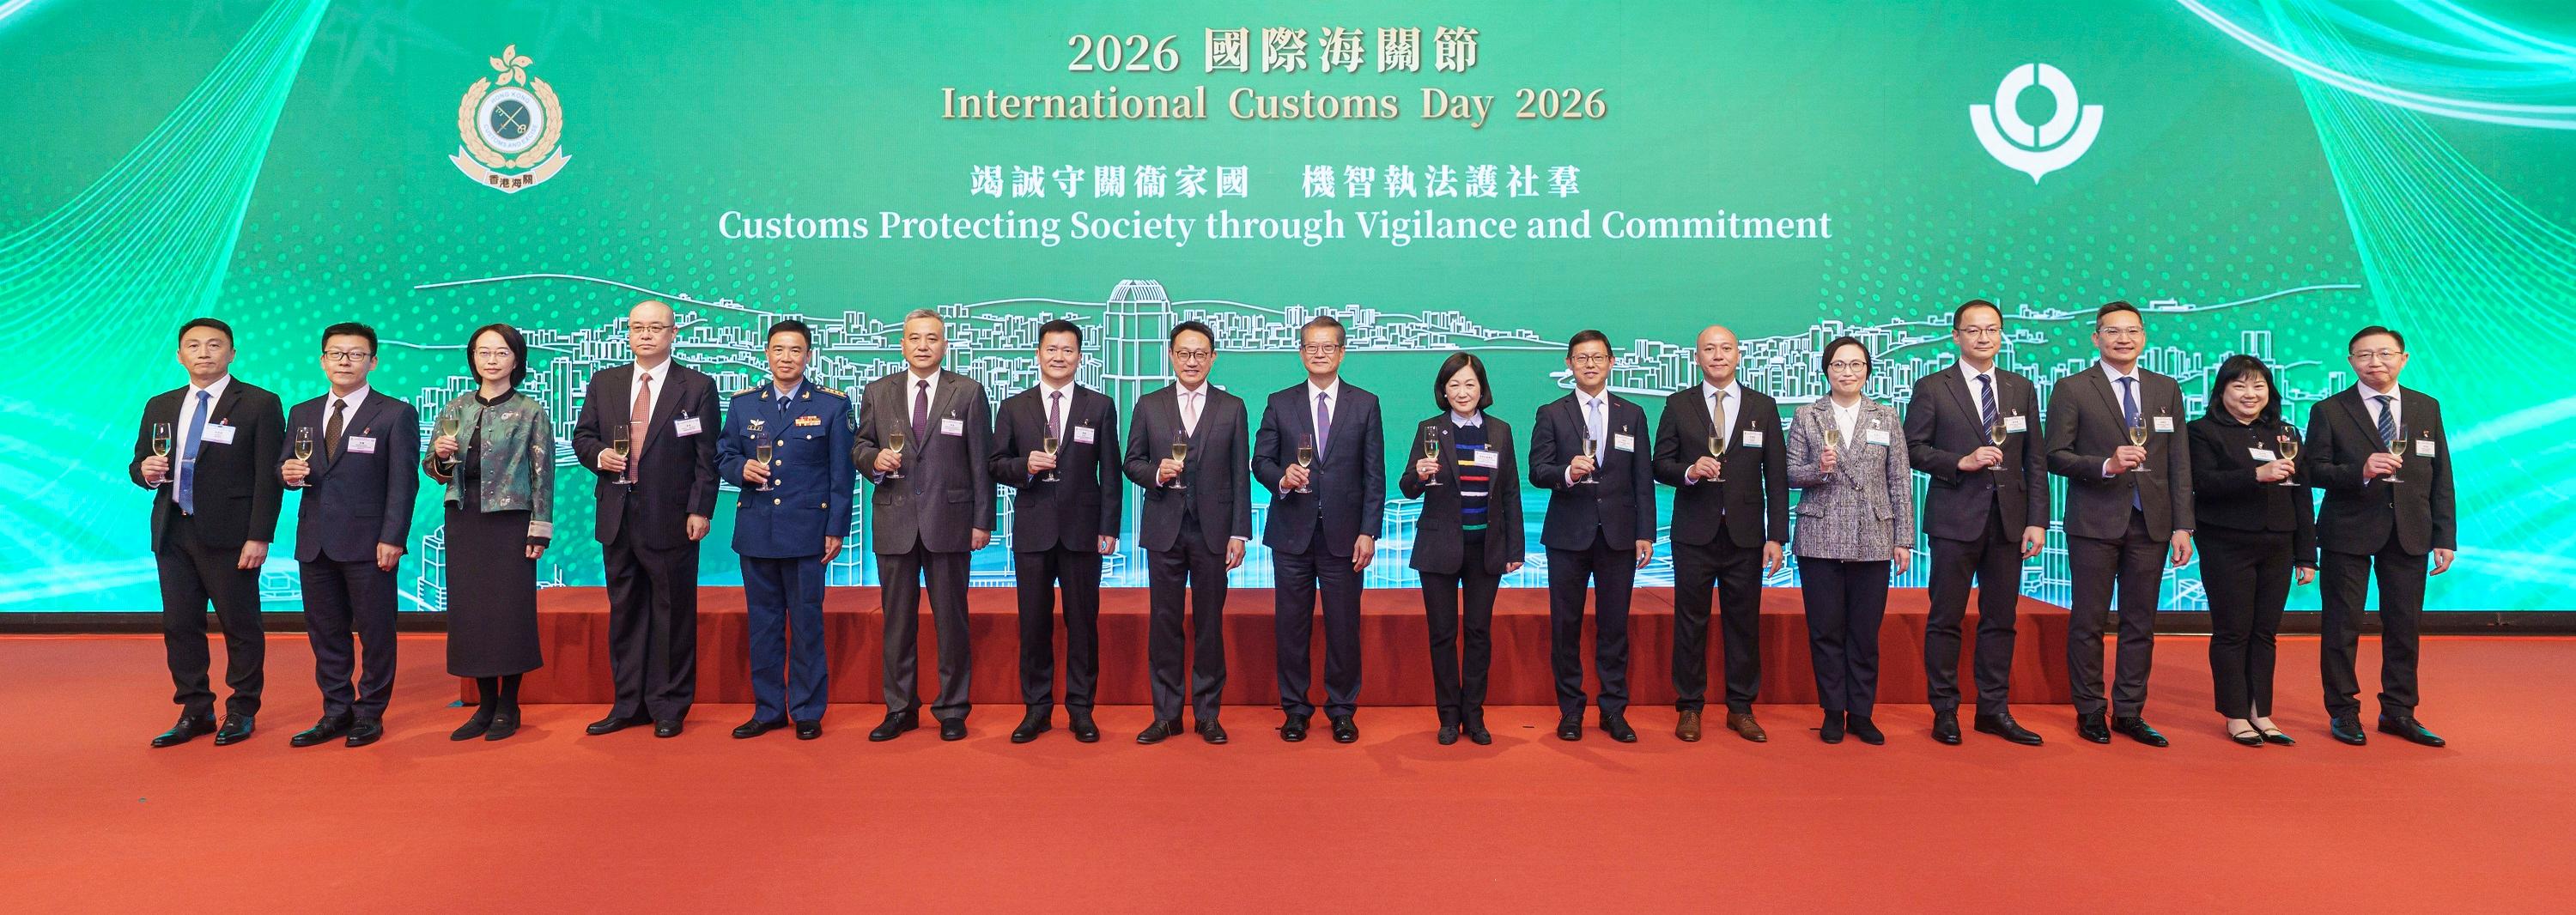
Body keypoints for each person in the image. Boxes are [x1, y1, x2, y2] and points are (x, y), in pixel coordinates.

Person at [2044, 300, 2193, 747]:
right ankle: (2090, 709)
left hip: (2152, 523)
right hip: (2094, 519)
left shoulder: (2166, 388)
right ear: (2096, 338)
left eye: (2132, 331)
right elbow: (2055, 455)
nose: (2123, 339)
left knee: (2140, 622)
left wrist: (2183, 525)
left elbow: (2179, 462)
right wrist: (2106, 465)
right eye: (2112, 331)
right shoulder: (2073, 388)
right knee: (2088, 621)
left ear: (2144, 336)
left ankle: (2129, 711)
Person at [571, 299, 720, 738]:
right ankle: (628, 703)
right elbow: (583, 436)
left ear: (673, 334)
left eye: (656, 328)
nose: (646, 335)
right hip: (617, 514)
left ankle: (670, 705)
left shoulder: (695, 386)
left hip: (673, 519)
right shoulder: (606, 382)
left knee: (673, 613)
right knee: (626, 613)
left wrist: (700, 509)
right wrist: (598, 455)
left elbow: (706, 457)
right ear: (628, 333)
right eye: (638, 327)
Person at [131, 318, 284, 748]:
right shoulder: (160, 404)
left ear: (231, 353)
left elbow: (267, 477)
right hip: (173, 531)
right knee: (180, 625)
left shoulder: (259, 403)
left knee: (240, 625)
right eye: (194, 346)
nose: (204, 353)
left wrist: (260, 535)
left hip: (232, 535)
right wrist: (144, 471)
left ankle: (241, 709)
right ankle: (195, 709)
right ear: (180, 356)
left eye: (214, 345)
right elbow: (139, 463)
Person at [1903, 300, 2047, 746]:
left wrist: (2037, 521)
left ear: (2001, 335)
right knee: (1945, 618)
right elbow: (1913, 448)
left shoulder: (2021, 388)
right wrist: (1960, 461)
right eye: (1974, 330)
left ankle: (1993, 710)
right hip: (1954, 519)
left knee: (2001, 619)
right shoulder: (1933, 388)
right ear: (1956, 336)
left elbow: (2034, 461)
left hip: (2009, 522)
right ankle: (1944, 710)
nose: (1983, 338)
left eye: (1992, 330)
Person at [2301, 326, 2454, 748]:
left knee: (2404, 625)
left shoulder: (2427, 407)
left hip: (2411, 531)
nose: (2375, 362)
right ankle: (2344, 711)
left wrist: (2445, 535)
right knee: (2342, 625)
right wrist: (2361, 471)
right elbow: (2312, 471)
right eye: (2365, 355)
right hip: (2347, 531)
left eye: (2385, 353)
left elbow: (2441, 475)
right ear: (2350, 362)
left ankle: (2399, 711)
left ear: (2404, 358)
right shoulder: (2329, 410)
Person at [854, 308, 994, 742]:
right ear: (902, 344)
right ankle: (900, 708)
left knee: (952, 621)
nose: (923, 346)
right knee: (897, 621)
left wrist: (982, 522)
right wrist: (872, 461)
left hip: (949, 522)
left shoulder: (967, 392)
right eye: (914, 338)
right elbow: (860, 444)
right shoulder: (879, 391)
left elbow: (981, 463)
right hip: (895, 520)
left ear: (944, 344)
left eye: (932, 338)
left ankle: (952, 709)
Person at [277, 322, 417, 748]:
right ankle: (335, 710)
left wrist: (393, 537)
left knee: (376, 631)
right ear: (322, 360)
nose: (344, 360)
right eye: (335, 353)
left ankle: (370, 712)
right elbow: (287, 466)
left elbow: (402, 483)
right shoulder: (302, 412)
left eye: (355, 353)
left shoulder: (394, 413)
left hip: (370, 542)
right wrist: (285, 474)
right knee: (325, 631)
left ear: (372, 361)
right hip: (314, 540)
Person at [716, 320, 854, 741]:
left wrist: (836, 528)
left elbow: (841, 474)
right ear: (767, 354)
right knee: (764, 625)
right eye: (779, 350)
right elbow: (722, 454)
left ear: (809, 355)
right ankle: (769, 708)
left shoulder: (832, 405)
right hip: (757, 529)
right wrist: (741, 469)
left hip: (807, 531)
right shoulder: (743, 404)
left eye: (796, 350)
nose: (787, 358)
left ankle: (808, 709)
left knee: (808, 623)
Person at [988, 319, 1122, 743]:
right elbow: (995, 464)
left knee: (1084, 622)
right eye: (1052, 349)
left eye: (1067, 350)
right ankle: (1038, 709)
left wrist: (1109, 527)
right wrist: (1023, 467)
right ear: (1038, 354)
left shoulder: (1099, 406)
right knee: (1033, 622)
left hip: (1084, 531)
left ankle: (1081, 709)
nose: (1059, 357)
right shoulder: (1013, 407)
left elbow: (1111, 473)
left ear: (1079, 357)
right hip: (1032, 530)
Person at [1653, 324, 1788, 743]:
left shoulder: (1763, 407)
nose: (1717, 355)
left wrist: (1776, 536)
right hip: (1694, 532)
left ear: (1738, 355)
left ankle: (1741, 708)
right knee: (1690, 621)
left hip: (1746, 534)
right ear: (1697, 357)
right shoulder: (1678, 405)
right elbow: (1660, 463)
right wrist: (1689, 471)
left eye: (1725, 348)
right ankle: (1690, 706)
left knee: (1743, 623)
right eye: (1709, 349)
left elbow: (1777, 477)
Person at [1255, 316, 1385, 745]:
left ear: (1342, 352)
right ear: (1301, 352)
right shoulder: (1279, 402)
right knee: (1291, 626)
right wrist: (1281, 477)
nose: (1319, 354)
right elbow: (1261, 461)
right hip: (1291, 533)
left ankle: (1343, 710)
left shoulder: (1365, 403)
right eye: (1311, 346)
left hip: (1345, 537)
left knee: (1344, 626)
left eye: (1328, 347)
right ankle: (1295, 709)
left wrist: (1369, 531)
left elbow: (1374, 476)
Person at [1123, 321, 1249, 745]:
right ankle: (1167, 714)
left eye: (1200, 354)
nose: (1191, 361)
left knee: (1210, 623)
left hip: (1214, 533)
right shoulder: (1149, 404)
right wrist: (1155, 473)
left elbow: (1239, 476)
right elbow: (1131, 461)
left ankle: (1208, 713)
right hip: (1164, 529)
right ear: (1171, 356)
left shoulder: (1232, 407)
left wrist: (1240, 533)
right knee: (1164, 622)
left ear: (1213, 358)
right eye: (1183, 353)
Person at [424, 324, 553, 741]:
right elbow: (432, 468)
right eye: (484, 352)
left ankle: (508, 705)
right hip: (465, 518)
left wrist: (539, 527)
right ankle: (483, 706)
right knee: (472, 614)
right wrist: (442, 458)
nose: (492, 359)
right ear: (473, 358)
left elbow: (543, 475)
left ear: (516, 359)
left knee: (508, 612)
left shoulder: (530, 410)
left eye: (501, 352)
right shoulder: (456, 407)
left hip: (511, 521)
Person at [1783, 337, 1914, 745]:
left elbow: (1899, 479)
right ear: (1826, 370)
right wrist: (1816, 469)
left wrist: (1903, 538)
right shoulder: (1807, 415)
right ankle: (1832, 712)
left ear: (1868, 370)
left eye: (1856, 364)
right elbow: (1788, 474)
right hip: (1820, 533)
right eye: (1839, 364)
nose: (1847, 372)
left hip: (1873, 535)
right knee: (1825, 630)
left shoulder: (1886, 416)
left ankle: (1861, 712)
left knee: (1863, 631)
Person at [1530, 330, 1656, 743]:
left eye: (1597, 357)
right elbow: (1538, 470)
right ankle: (1570, 709)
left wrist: (1645, 533)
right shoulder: (1551, 413)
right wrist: (1566, 473)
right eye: (1581, 358)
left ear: (1611, 362)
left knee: (1614, 625)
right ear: (1569, 364)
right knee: (1565, 625)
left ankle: (1614, 709)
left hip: (1619, 536)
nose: (1589, 364)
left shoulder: (1631, 414)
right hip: (1568, 535)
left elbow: (1643, 479)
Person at [2187, 354, 2316, 748]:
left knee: (2265, 632)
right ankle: (2236, 714)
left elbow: (2303, 495)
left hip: (2278, 542)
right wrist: (2255, 475)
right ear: (2222, 391)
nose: (2250, 394)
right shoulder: (2201, 432)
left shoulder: (2285, 432)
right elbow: (2201, 484)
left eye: (2258, 386)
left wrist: (2307, 555)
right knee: (2233, 631)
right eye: (2239, 386)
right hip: (2226, 543)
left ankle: (2263, 712)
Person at [1400, 354, 1525, 746]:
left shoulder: (1500, 431)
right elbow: (1407, 485)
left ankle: (1475, 715)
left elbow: (1510, 493)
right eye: (1454, 385)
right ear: (1443, 390)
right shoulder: (1429, 429)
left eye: (1469, 384)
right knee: (1442, 633)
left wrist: (1515, 547)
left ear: (1482, 388)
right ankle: (1448, 717)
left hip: (1486, 546)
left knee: (1478, 632)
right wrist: (1419, 475)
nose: (1462, 392)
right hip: (1439, 545)